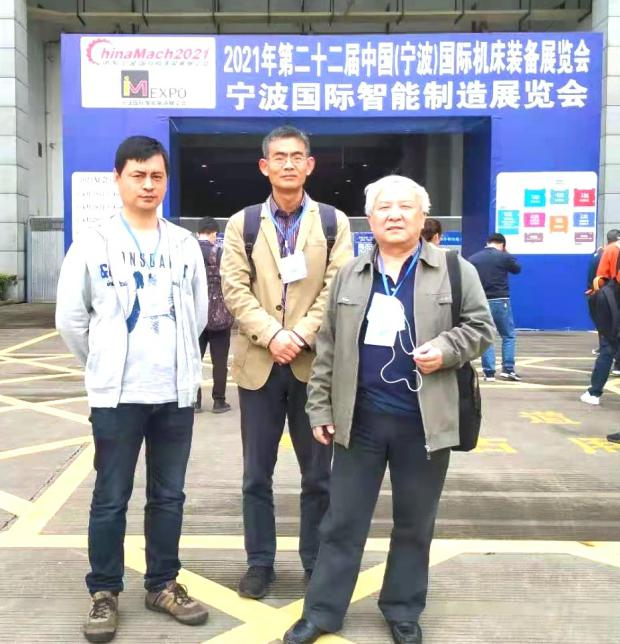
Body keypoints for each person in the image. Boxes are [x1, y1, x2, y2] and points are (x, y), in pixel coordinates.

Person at [283, 175, 493, 644]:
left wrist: (446, 348)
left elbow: (481, 328)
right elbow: (328, 347)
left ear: (422, 216)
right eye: (384, 207)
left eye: (404, 206)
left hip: (425, 423)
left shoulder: (455, 270)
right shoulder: (350, 274)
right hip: (360, 421)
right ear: (370, 218)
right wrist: (320, 408)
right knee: (342, 521)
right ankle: (322, 611)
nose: (394, 215)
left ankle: (402, 608)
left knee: (415, 523)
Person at [55, 136, 209, 643]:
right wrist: (102, 365)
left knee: (168, 496)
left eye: (156, 176)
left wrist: (179, 365)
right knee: (111, 496)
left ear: (166, 181)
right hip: (117, 398)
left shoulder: (183, 244)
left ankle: (162, 584)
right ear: (118, 179)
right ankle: (104, 591)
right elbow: (71, 320)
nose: (148, 185)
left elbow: (197, 315)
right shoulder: (93, 243)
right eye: (138, 175)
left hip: (174, 395)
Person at [221, 125, 353, 599]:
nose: (289, 164)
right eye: (279, 157)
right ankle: (260, 563)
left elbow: (337, 288)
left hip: (313, 368)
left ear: (310, 165)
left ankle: (315, 561)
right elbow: (234, 288)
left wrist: (298, 334)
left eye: (297, 156)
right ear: (265, 166)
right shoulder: (243, 224)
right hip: (259, 366)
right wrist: (272, 334)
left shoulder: (334, 223)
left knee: (318, 475)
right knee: (256, 475)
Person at [468, 233, 522, 382]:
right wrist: (507, 254)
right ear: (502, 245)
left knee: (487, 336)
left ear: (487, 243)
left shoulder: (474, 258)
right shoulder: (504, 257)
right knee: (508, 335)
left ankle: (489, 373)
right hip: (501, 300)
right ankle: (508, 369)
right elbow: (517, 269)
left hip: (481, 301)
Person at [195, 216, 233, 414]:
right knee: (219, 361)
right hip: (219, 315)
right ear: (214, 234)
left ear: (198, 233)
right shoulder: (220, 253)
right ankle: (219, 401)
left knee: (194, 359)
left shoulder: (188, 253)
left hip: (195, 315)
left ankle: (194, 401)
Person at [581, 234, 620, 407]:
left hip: (614, 303)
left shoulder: (611, 250)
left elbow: (600, 279)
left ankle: (594, 392)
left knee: (608, 347)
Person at [585, 229, 620, 363]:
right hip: (611, 295)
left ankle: (607, 357)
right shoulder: (613, 251)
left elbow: (597, 278)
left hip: (600, 296)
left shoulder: (600, 254)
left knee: (606, 333)